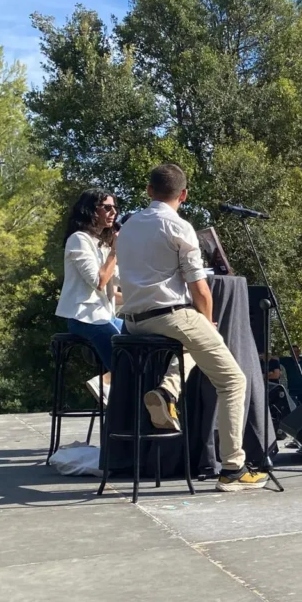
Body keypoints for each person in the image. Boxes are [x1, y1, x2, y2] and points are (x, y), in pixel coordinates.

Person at [117, 164, 262, 491]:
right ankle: (232, 468)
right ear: (183, 195)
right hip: (169, 315)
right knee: (233, 381)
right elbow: (200, 290)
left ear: (149, 190)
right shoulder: (179, 228)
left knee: (193, 340)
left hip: (132, 324)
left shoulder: (126, 227)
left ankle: (168, 390)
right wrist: (208, 322)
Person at [56, 188, 122, 405]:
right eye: (107, 207)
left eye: (115, 208)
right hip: (83, 317)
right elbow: (100, 281)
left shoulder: (102, 244)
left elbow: (120, 284)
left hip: (104, 316)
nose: (113, 212)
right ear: (91, 210)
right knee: (126, 357)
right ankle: (108, 384)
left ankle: (108, 382)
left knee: (144, 335)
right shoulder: (78, 240)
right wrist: (115, 251)